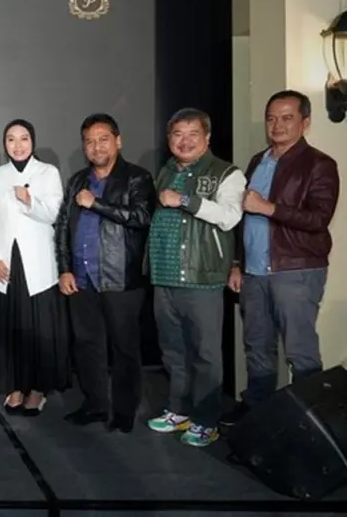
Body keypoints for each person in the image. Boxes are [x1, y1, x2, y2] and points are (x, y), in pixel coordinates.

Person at [222, 90, 340, 427]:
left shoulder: (320, 164)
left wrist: (269, 208)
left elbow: (319, 218)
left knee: (300, 351)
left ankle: (311, 422)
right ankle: (256, 412)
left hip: (296, 271)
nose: (277, 125)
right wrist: (237, 264)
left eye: (287, 118)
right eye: (271, 118)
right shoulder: (258, 161)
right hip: (254, 272)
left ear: (305, 122)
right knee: (257, 345)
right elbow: (245, 218)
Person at [147, 108, 245, 447]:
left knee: (205, 353)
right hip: (165, 276)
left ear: (207, 138)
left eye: (193, 134)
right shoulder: (166, 171)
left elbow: (230, 217)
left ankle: (206, 421)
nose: (184, 141)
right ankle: (179, 410)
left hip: (202, 277)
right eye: (178, 134)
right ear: (169, 139)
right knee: (173, 350)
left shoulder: (226, 173)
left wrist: (186, 200)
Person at [56, 114, 155, 433]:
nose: (96, 147)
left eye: (103, 139)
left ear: (118, 141)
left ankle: (125, 410)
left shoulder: (137, 177)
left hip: (120, 279)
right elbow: (62, 227)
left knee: (124, 348)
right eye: (89, 141)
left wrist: (96, 203)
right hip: (82, 279)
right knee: (87, 346)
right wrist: (65, 269)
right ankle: (95, 405)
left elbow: (142, 216)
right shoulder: (77, 181)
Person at [0, 119, 67, 415]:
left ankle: (38, 390)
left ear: (33, 141)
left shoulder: (47, 172)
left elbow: (54, 214)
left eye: (24, 138)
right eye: (11, 139)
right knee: (9, 329)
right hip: (5, 263)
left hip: (38, 265)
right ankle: (14, 386)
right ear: (5, 144)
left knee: (38, 330)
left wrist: (29, 200)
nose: (17, 145)